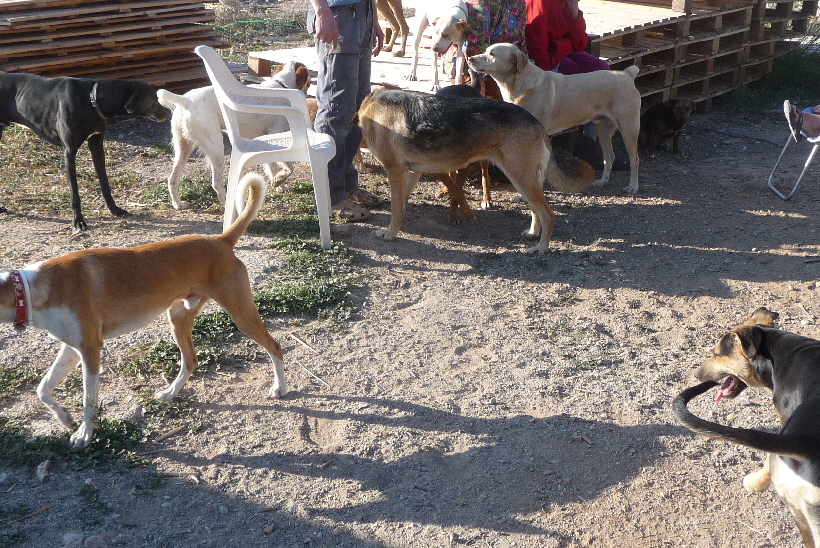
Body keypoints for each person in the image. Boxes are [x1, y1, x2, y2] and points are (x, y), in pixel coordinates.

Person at [308, 0, 384, 221]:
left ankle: (347, 186)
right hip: (337, 14)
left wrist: (373, 19)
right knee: (336, 107)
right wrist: (321, 10)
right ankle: (330, 196)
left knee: (358, 108)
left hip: (362, 12)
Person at [524, 0, 609, 75]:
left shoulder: (568, 3)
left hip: (565, 51)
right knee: (571, 69)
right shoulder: (539, 2)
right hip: (548, 56)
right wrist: (545, 74)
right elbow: (535, 40)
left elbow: (580, 45)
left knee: (601, 69)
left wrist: (574, 11)